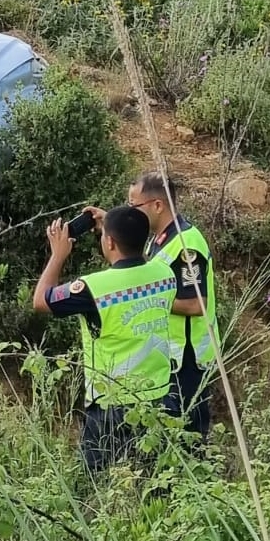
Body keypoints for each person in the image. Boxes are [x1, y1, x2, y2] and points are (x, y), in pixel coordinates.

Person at [33, 206, 177, 472]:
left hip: (112, 406)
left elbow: (42, 300)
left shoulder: (94, 288)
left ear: (109, 241)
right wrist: (115, 227)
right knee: (153, 485)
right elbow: (136, 264)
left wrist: (57, 255)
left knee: (94, 484)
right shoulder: (165, 276)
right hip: (159, 399)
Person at [88, 173, 218, 443]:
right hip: (169, 357)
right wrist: (113, 226)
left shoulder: (185, 246)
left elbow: (196, 304)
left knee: (188, 437)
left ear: (157, 206)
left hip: (189, 359)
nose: (130, 211)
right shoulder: (158, 239)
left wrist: (148, 300)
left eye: (134, 206)